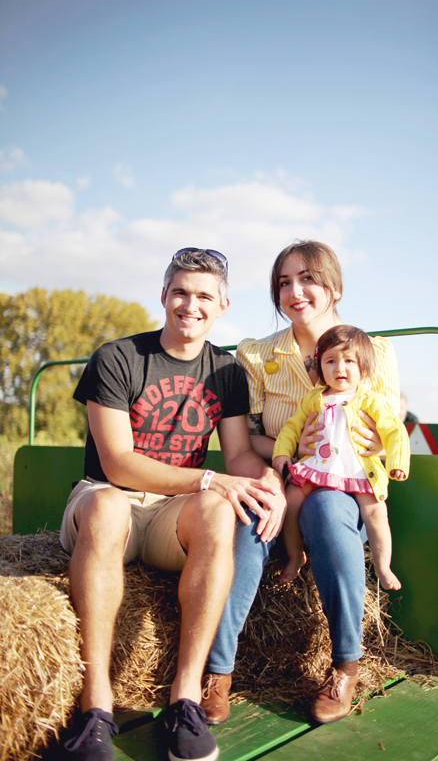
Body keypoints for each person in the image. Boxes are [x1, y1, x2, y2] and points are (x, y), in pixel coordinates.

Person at [58, 248, 286, 761]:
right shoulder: (117, 357)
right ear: (164, 296)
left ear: (222, 305)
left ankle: (185, 698)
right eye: (181, 292)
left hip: (170, 512)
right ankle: (96, 709)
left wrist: (269, 481)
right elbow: (117, 463)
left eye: (204, 295)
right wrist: (210, 478)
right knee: (110, 507)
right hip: (105, 498)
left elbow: (240, 455)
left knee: (217, 509)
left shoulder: (226, 371)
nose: (191, 304)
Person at [200, 240, 401, 727]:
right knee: (250, 517)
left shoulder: (373, 351)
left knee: (328, 511)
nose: (296, 291)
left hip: (346, 482)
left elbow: (384, 432)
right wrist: (289, 452)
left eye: (307, 278)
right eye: (284, 283)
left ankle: (345, 666)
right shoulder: (254, 355)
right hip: (282, 470)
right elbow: (246, 436)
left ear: (332, 286)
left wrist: (354, 445)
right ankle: (217, 672)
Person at [273, 325, 410, 589]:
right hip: (317, 466)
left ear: (364, 368)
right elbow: (292, 427)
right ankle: (295, 556)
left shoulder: (370, 400)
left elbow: (394, 431)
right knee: (289, 502)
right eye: (331, 361)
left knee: (376, 513)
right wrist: (282, 452)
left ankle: (383, 567)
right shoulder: (313, 399)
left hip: (356, 469)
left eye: (349, 361)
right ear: (319, 366)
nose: (340, 368)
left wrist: (397, 463)